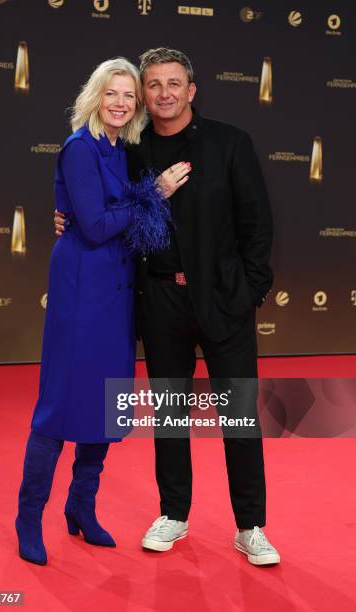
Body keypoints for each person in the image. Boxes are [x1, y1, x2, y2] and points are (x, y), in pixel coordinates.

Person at [55, 48, 280, 566]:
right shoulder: (129, 151)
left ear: (192, 90)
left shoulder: (229, 143)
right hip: (159, 301)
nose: (163, 94)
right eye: (152, 84)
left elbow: (258, 227)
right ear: (143, 94)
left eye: (173, 83)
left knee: (239, 419)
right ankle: (174, 514)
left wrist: (248, 294)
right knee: (172, 417)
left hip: (224, 303)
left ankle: (251, 526)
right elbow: (102, 210)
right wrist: (66, 216)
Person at [16, 57, 191, 566]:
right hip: (81, 292)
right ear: (95, 95)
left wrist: (138, 200)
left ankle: (80, 507)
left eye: (128, 96)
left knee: (107, 406)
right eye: (111, 93)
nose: (120, 103)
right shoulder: (79, 147)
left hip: (118, 295)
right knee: (59, 407)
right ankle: (29, 518)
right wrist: (155, 195)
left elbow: (110, 215)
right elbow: (92, 226)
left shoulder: (122, 149)